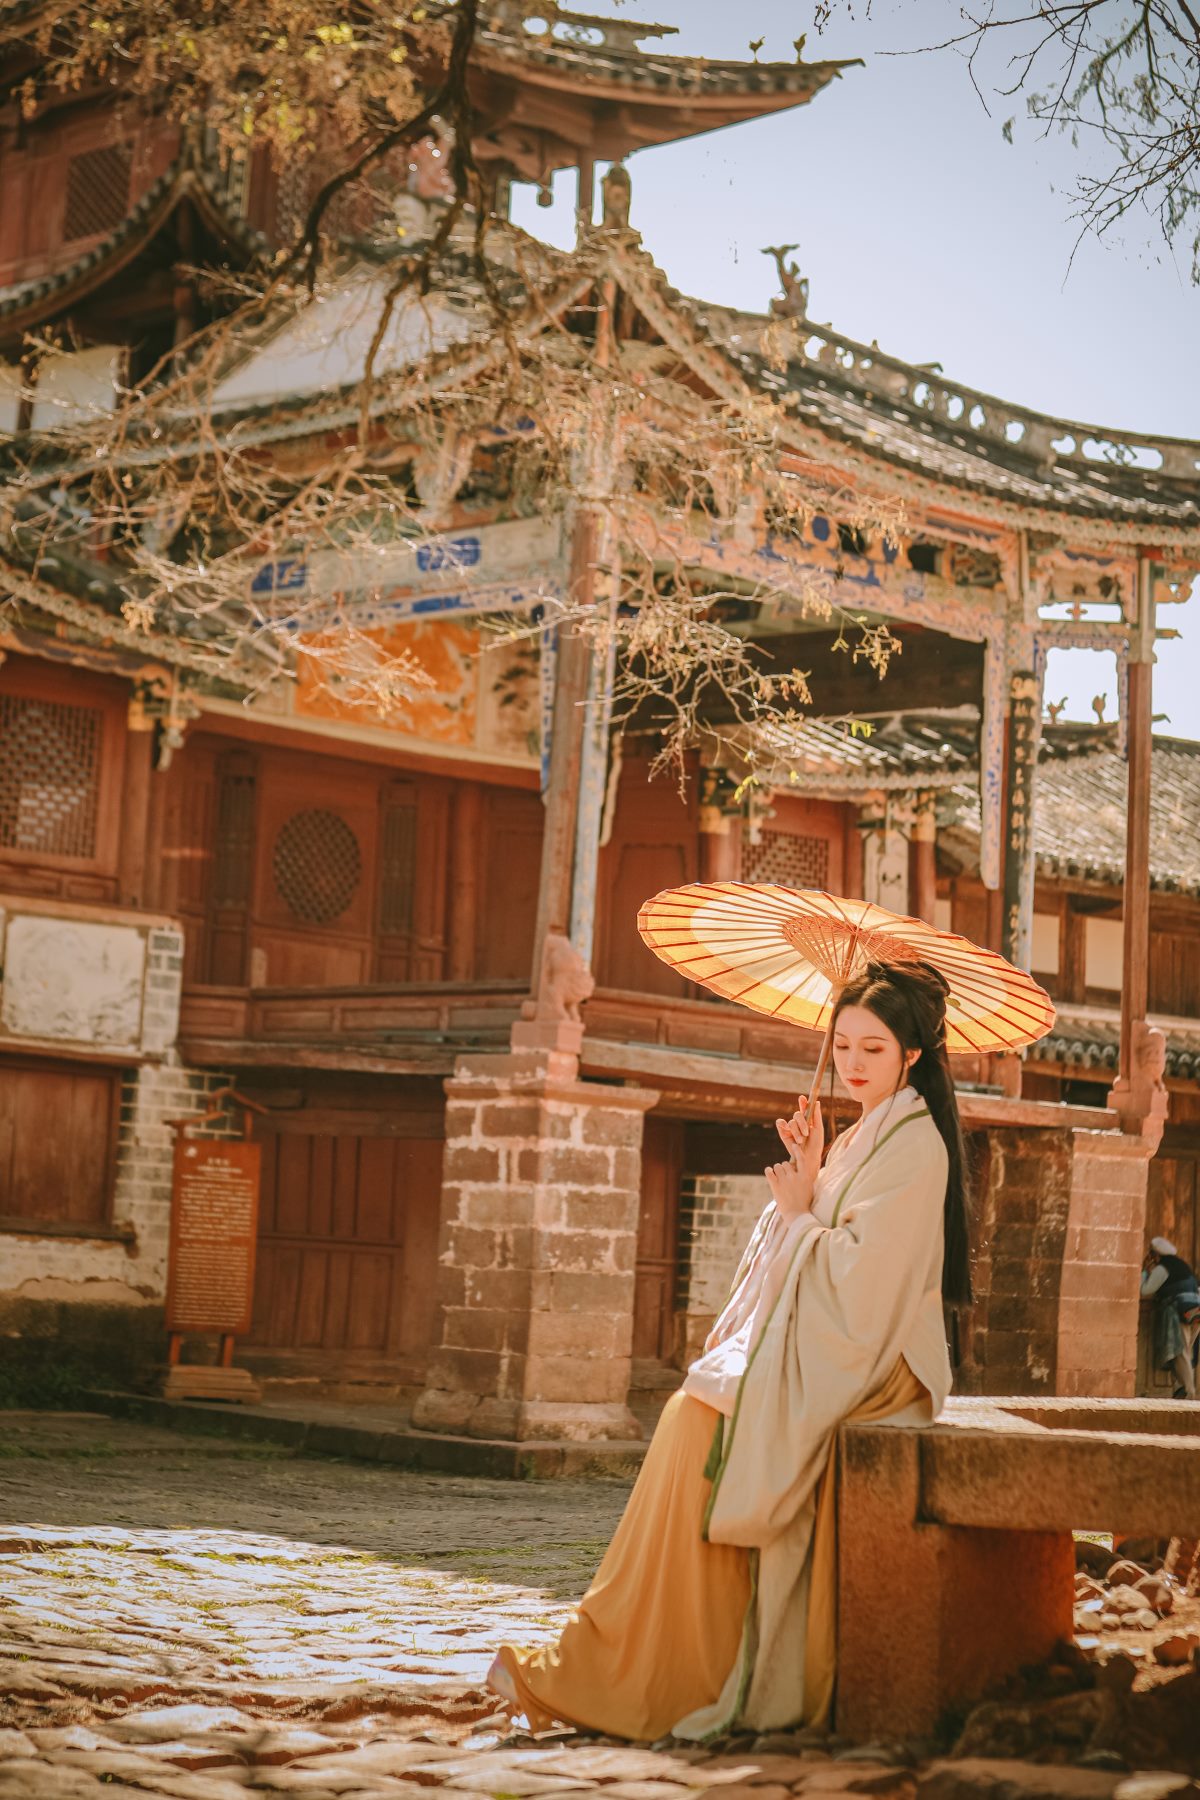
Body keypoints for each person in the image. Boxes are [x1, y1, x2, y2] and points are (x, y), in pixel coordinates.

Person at [487, 959, 969, 1740]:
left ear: (912, 1055)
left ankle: (661, 1669)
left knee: (693, 1422)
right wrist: (810, 1176)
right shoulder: (864, 1136)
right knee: (689, 1414)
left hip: (876, 1365)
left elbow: (862, 1282)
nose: (852, 1063)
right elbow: (819, 1240)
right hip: (834, 1343)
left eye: (874, 1049)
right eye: (844, 1044)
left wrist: (800, 1212)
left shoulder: (917, 1149)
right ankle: (613, 1652)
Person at [1141, 1236, 1200, 1401]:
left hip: (1179, 1313)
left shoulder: (1162, 1268)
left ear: (1155, 1255)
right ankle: (1180, 1389)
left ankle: (1189, 1393)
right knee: (1187, 1352)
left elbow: (1145, 1290)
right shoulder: (1183, 1265)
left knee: (1180, 1352)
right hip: (1195, 1312)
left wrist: (1145, 1271)